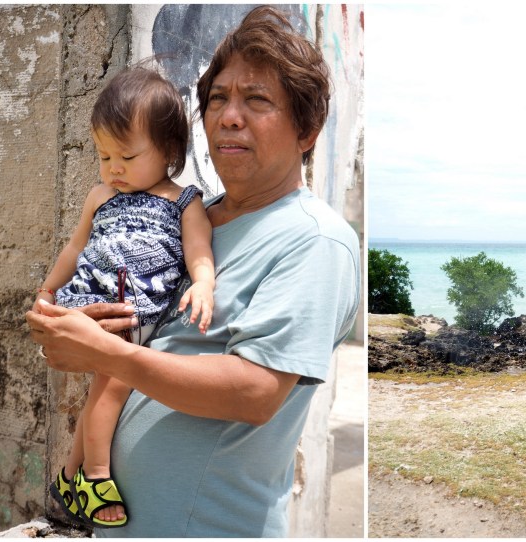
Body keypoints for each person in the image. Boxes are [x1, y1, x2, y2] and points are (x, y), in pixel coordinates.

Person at [26, 5, 360, 538]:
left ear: (307, 129)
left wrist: (108, 352)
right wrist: (80, 327)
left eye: (257, 100)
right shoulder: (194, 219)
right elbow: (146, 342)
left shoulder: (314, 240)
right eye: (218, 99)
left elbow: (255, 392)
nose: (229, 116)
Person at [35, 67, 215, 528]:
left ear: (170, 151)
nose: (114, 168)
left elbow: (197, 249)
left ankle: (70, 476)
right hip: (94, 305)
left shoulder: (184, 200)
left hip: (140, 309)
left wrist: (203, 282)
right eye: (104, 155)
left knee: (104, 388)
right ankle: (96, 477)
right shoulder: (100, 196)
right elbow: (75, 248)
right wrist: (48, 291)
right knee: (109, 387)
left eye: (127, 156)